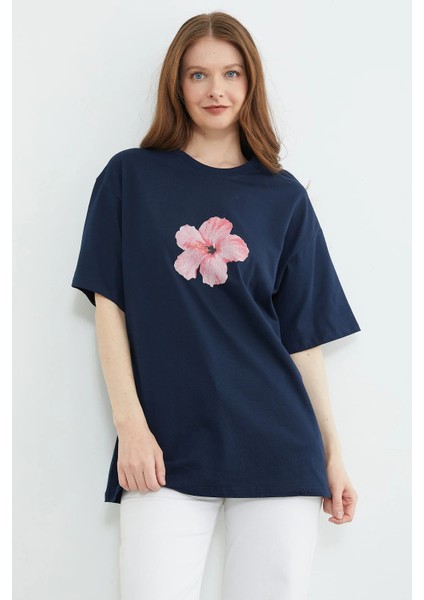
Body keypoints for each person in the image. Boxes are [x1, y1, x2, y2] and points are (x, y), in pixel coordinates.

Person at [71, 11, 361, 600]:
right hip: (164, 447)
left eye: (231, 73)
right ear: (177, 84)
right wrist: (131, 427)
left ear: (250, 82)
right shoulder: (130, 178)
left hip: (279, 445)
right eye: (197, 75)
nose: (216, 90)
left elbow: (302, 341)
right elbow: (109, 305)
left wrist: (333, 454)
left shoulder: (284, 196)